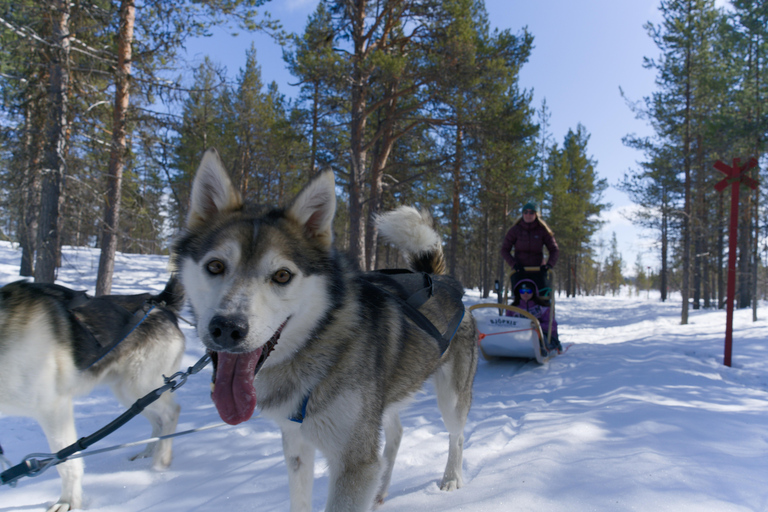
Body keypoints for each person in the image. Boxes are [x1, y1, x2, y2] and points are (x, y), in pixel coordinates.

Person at [500, 201, 559, 294]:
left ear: (536, 214)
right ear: (522, 214)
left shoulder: (542, 230)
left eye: (531, 212)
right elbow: (504, 250)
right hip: (519, 271)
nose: (528, 214)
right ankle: (517, 308)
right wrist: (514, 264)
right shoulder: (515, 230)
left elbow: (554, 249)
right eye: (525, 212)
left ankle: (543, 307)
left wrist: (549, 265)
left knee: (542, 297)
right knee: (520, 298)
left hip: (538, 271)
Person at [506, 279, 562, 352]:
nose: (525, 294)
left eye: (529, 291)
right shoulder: (512, 309)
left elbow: (552, 325)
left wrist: (537, 326)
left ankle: (542, 348)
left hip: (538, 334)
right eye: (522, 291)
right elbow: (506, 323)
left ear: (533, 292)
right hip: (517, 334)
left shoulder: (542, 308)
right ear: (518, 293)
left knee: (537, 335)